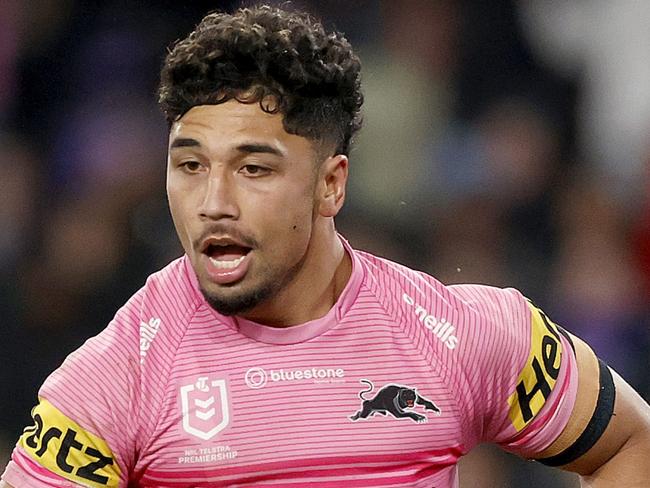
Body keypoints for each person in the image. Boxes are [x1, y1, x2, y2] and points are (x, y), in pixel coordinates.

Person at [2, 5, 649, 487]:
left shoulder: (462, 333)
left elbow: (630, 445)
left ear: (330, 185)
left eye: (254, 168)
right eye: (190, 164)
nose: (212, 201)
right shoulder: (114, 378)